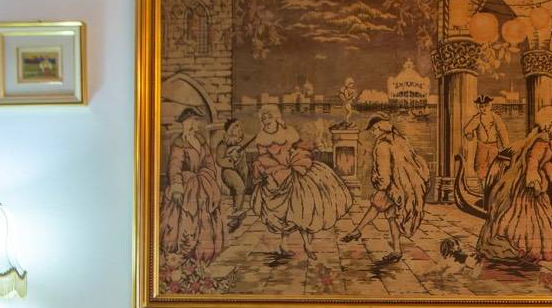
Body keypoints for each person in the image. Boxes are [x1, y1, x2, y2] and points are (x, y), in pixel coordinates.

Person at [478, 103, 552, 266]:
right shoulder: (541, 140)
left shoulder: (539, 138)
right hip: (529, 185)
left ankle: (524, 251)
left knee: (528, 216)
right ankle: (524, 250)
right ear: (549, 122)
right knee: (528, 216)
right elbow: (533, 160)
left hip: (531, 182)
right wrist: (533, 178)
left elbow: (542, 163)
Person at [250, 121, 352, 263]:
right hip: (278, 184)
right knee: (285, 217)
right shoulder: (264, 151)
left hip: (294, 180)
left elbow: (296, 149)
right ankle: (284, 245)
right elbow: (260, 170)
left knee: (303, 213)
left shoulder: (286, 139)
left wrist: (307, 149)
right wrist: (266, 171)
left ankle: (307, 245)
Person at [339, 116, 428, 263]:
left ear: (380, 128)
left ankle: (358, 231)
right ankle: (394, 249)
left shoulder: (382, 146)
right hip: (404, 186)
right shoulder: (399, 140)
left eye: (374, 129)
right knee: (387, 213)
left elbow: (384, 176)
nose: (373, 133)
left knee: (379, 207)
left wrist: (378, 183)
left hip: (392, 187)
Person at [166, 107, 225, 262]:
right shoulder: (179, 143)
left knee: (206, 219)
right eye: (194, 120)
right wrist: (177, 186)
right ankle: (186, 254)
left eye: (197, 120)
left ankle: (204, 254)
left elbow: (209, 161)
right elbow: (175, 166)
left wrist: (209, 177)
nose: (196, 124)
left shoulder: (201, 140)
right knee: (187, 220)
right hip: (187, 188)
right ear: (186, 123)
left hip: (204, 185)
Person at [462, 94, 509, 182]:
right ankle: (482, 186)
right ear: (478, 107)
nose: (484, 108)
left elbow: (502, 132)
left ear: (490, 106)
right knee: (480, 167)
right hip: (481, 147)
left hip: (493, 147)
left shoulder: (495, 117)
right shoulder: (477, 118)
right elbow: (467, 129)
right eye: (481, 106)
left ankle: (491, 185)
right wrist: (469, 134)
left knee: (494, 167)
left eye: (485, 106)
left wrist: (506, 148)